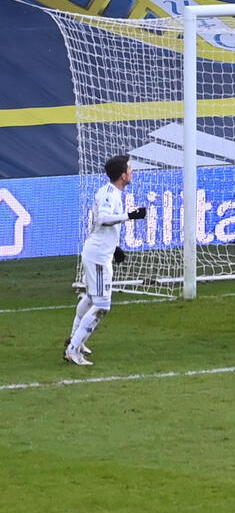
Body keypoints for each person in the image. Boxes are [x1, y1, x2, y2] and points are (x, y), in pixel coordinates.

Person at [64, 155, 147, 365]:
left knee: (92, 298)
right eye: (129, 168)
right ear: (122, 175)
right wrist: (130, 216)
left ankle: (74, 340)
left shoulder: (110, 192)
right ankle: (73, 350)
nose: (132, 171)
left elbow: (100, 225)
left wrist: (115, 246)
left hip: (99, 251)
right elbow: (102, 219)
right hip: (98, 257)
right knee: (102, 305)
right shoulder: (111, 195)